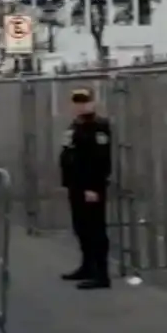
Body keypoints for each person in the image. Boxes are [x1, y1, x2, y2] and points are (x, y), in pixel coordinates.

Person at [58, 87, 112, 290]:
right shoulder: (76, 125)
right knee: (81, 228)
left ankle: (101, 274)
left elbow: (100, 160)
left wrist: (93, 187)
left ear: (92, 103)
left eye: (84, 101)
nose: (80, 105)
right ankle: (87, 266)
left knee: (95, 230)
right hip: (76, 185)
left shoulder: (97, 127)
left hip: (91, 187)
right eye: (76, 101)